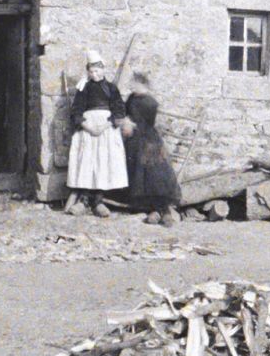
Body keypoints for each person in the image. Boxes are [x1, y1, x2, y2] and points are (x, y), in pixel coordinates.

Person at [64, 50, 128, 217]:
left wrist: (105, 125)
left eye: (97, 70)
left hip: (106, 130)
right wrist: (88, 127)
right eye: (91, 71)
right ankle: (84, 200)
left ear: (103, 70)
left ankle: (98, 201)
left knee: (103, 162)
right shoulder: (83, 88)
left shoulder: (112, 89)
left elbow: (119, 110)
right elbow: (76, 111)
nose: (95, 74)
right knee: (87, 162)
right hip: (88, 129)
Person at [123, 84, 183, 226]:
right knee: (138, 167)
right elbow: (124, 114)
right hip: (133, 139)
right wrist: (126, 122)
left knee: (155, 166)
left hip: (148, 136)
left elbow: (148, 122)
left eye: (138, 84)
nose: (135, 88)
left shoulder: (150, 102)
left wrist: (133, 124)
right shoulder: (131, 98)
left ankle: (164, 210)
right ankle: (155, 210)